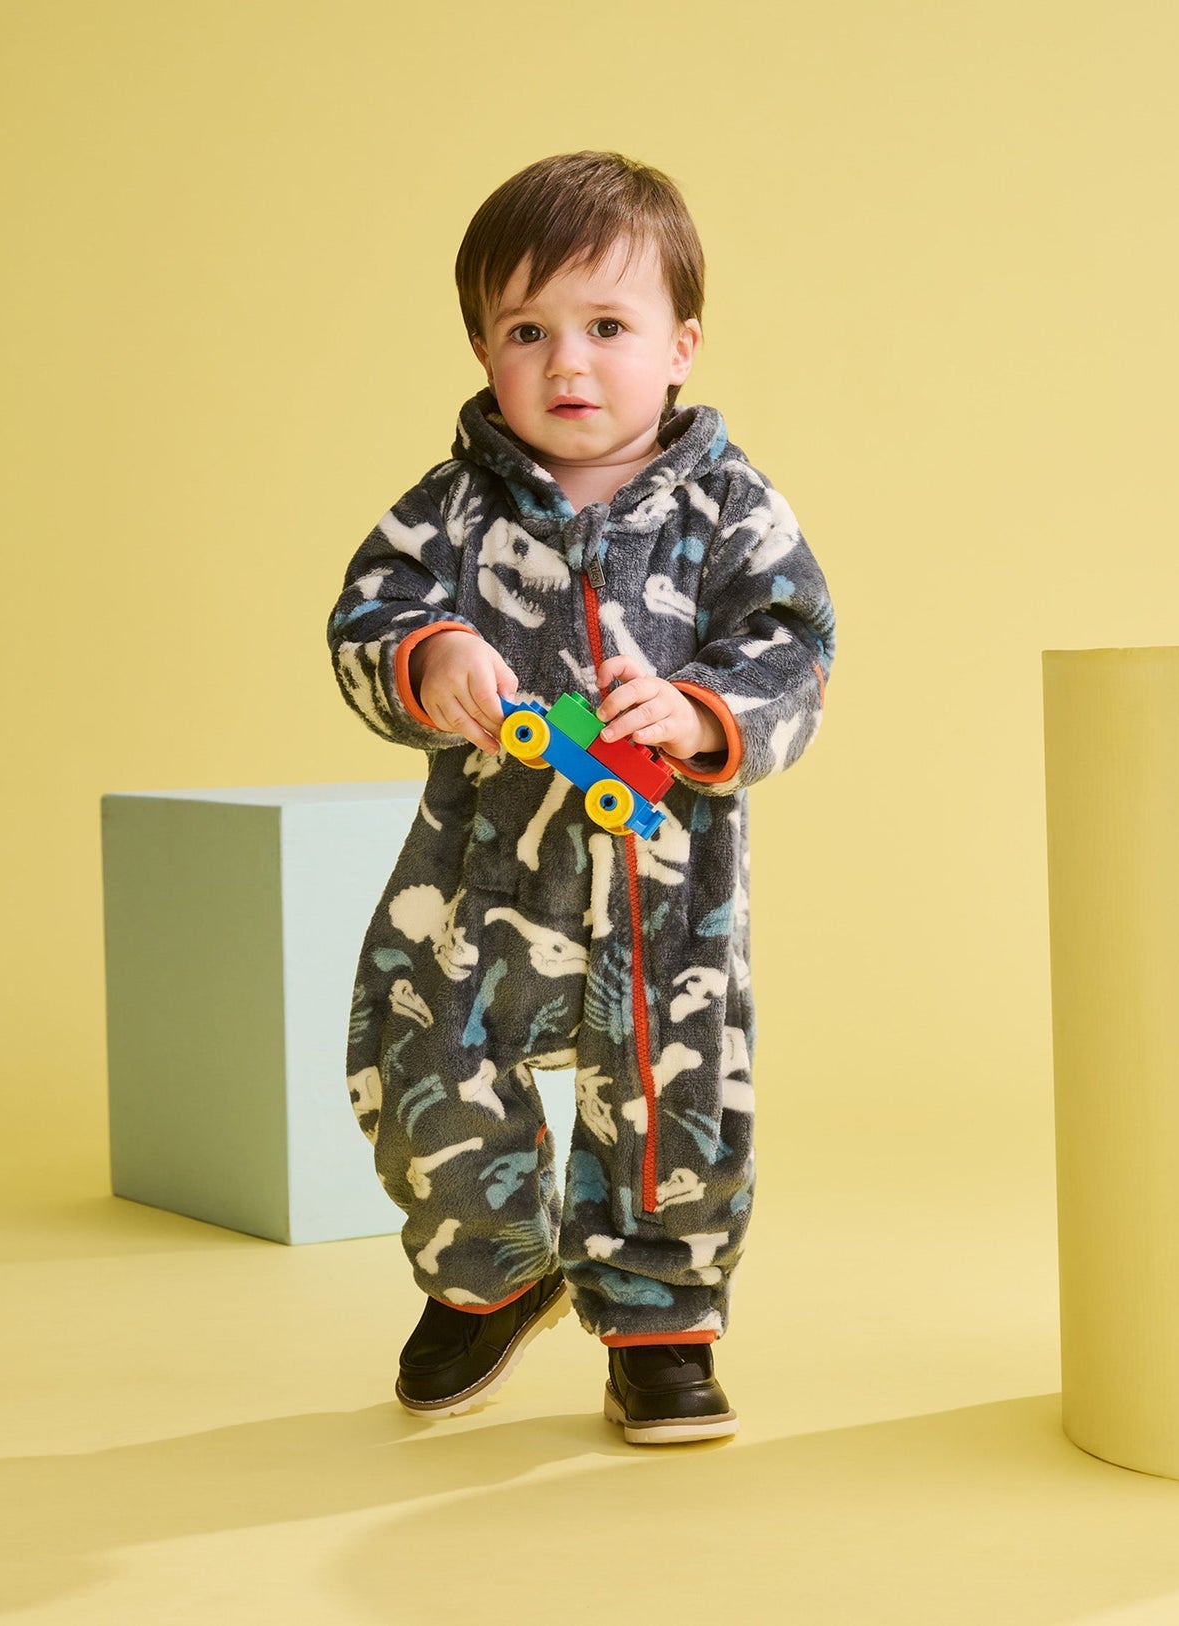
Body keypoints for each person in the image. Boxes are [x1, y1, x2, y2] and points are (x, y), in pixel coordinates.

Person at [326, 150, 835, 1445]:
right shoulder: (443, 510)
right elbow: (366, 618)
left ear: (679, 346)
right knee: (419, 1049)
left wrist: (702, 711)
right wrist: (425, 654)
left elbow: (791, 648)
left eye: (607, 327)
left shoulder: (731, 508)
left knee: (675, 1097)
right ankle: (490, 1272)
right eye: (525, 331)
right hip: (479, 868)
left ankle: (660, 1319)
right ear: (483, 352)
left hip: (665, 884)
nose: (567, 363)